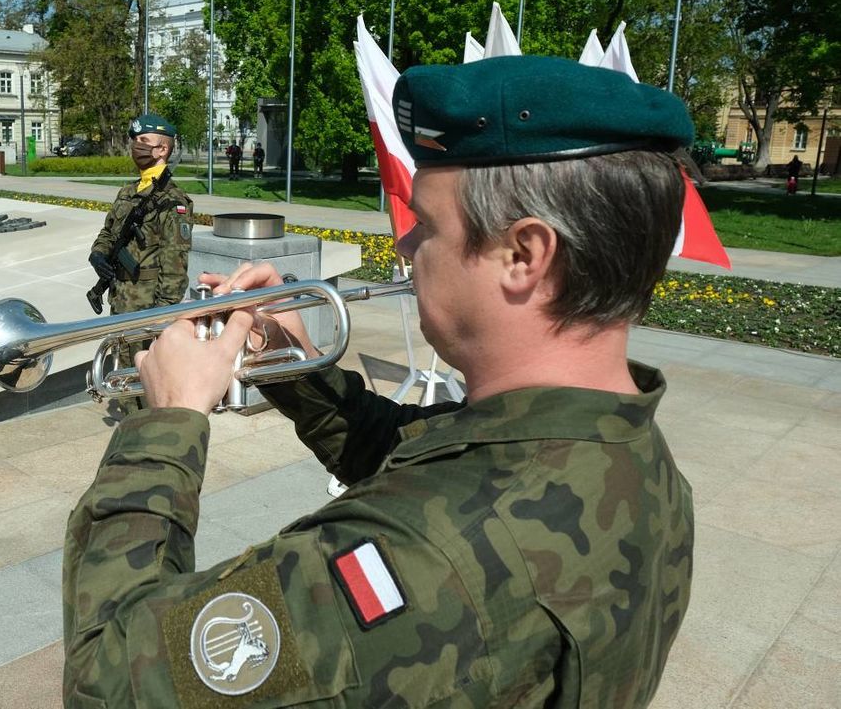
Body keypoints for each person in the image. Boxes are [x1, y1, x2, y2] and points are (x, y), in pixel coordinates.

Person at [62, 56, 695, 707]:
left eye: (426, 223)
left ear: (524, 255)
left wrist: (162, 428)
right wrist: (296, 366)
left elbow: (107, 678)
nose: (404, 246)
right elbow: (416, 450)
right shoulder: (644, 461)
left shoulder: (418, 550)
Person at [87, 113, 193, 415]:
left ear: (162, 150)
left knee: (150, 381)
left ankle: (153, 433)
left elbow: (175, 265)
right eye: (135, 141)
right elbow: (108, 233)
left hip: (148, 305)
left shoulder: (173, 200)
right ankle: (132, 426)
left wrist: (163, 316)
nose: (137, 146)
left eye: (144, 141)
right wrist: (98, 254)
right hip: (121, 299)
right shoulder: (127, 192)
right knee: (123, 372)